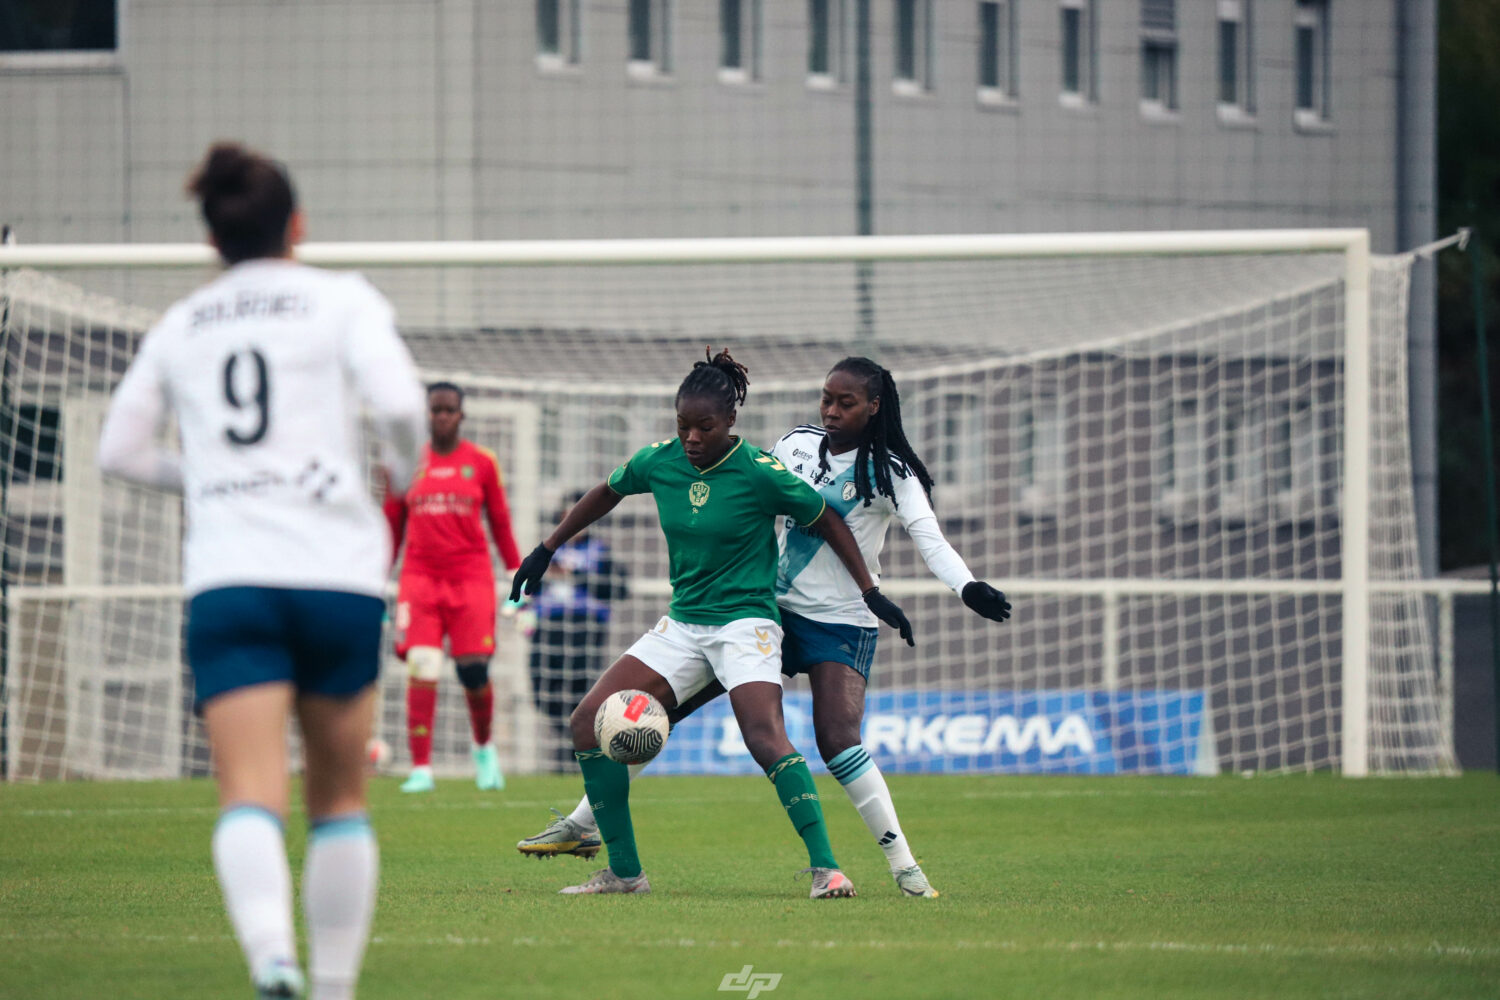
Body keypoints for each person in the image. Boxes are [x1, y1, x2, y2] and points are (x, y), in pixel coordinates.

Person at [97, 142, 425, 1000]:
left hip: (231, 578)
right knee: (340, 796)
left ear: (213, 240)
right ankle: (335, 987)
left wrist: (203, 479)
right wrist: (406, 466)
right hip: (336, 576)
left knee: (248, 790)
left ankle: (272, 955)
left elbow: (119, 450)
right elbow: (397, 404)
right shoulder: (341, 300)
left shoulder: (183, 323)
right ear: (298, 225)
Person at [520, 356, 1012, 898]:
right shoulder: (787, 447)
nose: (830, 410)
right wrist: (547, 548)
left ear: (874, 407)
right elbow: (613, 491)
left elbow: (913, 533)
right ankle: (597, 838)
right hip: (759, 606)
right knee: (639, 716)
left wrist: (957, 586)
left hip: (821, 617)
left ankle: (898, 867)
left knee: (829, 741)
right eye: (826, 398)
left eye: (845, 402)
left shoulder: (888, 471)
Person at [383, 382, 523, 793]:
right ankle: (422, 767)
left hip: (470, 577)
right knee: (422, 664)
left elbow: (499, 523)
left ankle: (483, 748)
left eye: (449, 410)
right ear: (425, 415)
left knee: (473, 669)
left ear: (461, 415)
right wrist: (377, 580)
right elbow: (392, 528)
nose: (441, 416)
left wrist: (519, 576)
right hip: (420, 578)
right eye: (435, 410)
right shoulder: (405, 462)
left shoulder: (481, 463)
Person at [528, 490, 628, 770]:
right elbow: (528, 589)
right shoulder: (547, 551)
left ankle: (576, 751)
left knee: (580, 692)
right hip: (548, 630)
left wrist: (578, 577)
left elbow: (619, 588)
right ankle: (570, 741)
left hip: (584, 628)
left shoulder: (599, 551)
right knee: (543, 694)